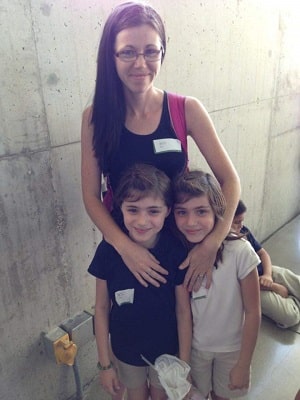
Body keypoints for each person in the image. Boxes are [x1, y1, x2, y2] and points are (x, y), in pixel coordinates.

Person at [81, 1, 240, 291]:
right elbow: (91, 196)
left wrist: (212, 242)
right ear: (111, 56)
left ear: (162, 52)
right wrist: (127, 249)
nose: (140, 64)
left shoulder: (187, 109)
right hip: (128, 244)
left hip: (182, 244)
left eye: (151, 51)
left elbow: (230, 180)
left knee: (186, 327)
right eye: (128, 52)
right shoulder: (95, 118)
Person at [88, 164, 192, 400]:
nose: (142, 221)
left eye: (153, 211)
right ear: (120, 208)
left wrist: (184, 364)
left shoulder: (175, 251)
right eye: (133, 210)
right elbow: (102, 309)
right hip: (125, 351)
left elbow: (183, 310)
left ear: (168, 211)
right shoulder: (108, 252)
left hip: (167, 351)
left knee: (160, 395)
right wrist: (105, 365)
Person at [172, 170, 261, 400]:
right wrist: (184, 365)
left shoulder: (241, 251)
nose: (191, 222)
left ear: (218, 211)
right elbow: (183, 313)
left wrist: (244, 364)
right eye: (182, 212)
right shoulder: (178, 254)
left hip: (233, 351)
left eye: (201, 211)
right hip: (197, 350)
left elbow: (253, 312)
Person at [232, 200, 300, 329]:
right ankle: (293, 300)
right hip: (250, 287)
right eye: (236, 222)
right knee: (290, 316)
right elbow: (239, 283)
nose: (241, 225)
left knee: (294, 281)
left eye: (242, 221)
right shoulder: (225, 248)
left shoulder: (243, 230)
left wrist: (268, 275)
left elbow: (263, 253)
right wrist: (274, 287)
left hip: (264, 273)